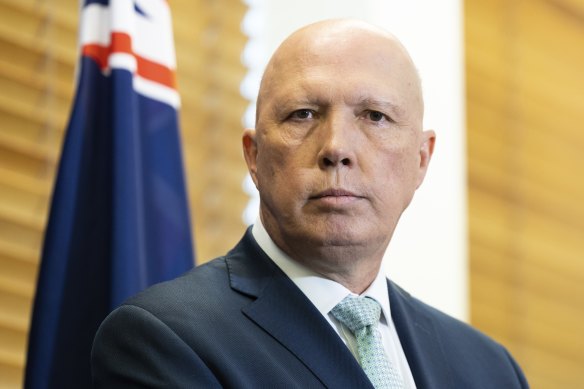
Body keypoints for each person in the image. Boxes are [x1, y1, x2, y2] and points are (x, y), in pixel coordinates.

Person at [91, 19, 529, 388]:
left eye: (374, 116)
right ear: (254, 156)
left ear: (421, 159)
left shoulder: (491, 370)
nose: (336, 147)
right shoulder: (163, 339)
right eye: (303, 114)